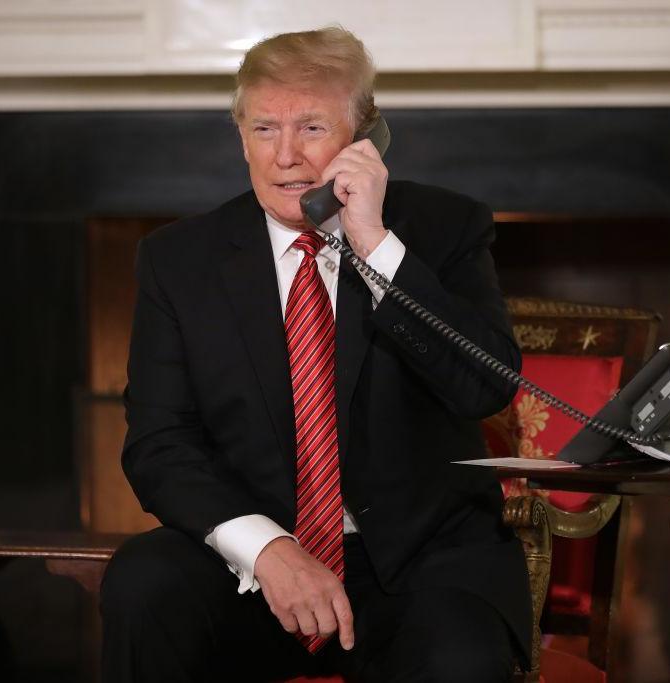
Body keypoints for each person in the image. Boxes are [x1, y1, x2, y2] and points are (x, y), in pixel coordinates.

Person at [100, 25, 532, 683]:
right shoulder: (178, 260)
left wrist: (375, 243)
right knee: (144, 580)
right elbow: (159, 444)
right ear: (240, 134)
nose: (285, 157)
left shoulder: (443, 229)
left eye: (311, 128)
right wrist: (267, 548)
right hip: (259, 570)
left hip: (420, 566)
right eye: (265, 129)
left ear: (365, 137)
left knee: (461, 655)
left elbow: (486, 386)